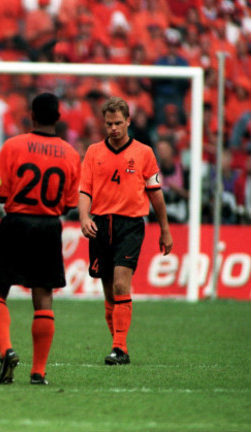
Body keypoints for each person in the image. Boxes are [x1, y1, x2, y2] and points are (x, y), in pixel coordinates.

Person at [0, 93, 81, 386]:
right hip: (48, 226)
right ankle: (38, 372)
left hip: (15, 223)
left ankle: (6, 350)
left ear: (31, 115)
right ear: (58, 118)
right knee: (43, 298)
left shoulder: (13, 146)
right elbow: (69, 204)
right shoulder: (71, 154)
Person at [79, 96, 173, 365]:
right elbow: (85, 190)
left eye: (118, 123)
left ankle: (120, 348)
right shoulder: (94, 152)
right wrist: (84, 217)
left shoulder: (144, 153)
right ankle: (117, 346)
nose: (114, 128)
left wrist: (165, 229)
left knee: (122, 282)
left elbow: (155, 193)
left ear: (128, 121)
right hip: (100, 224)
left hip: (131, 224)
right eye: (109, 123)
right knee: (109, 292)